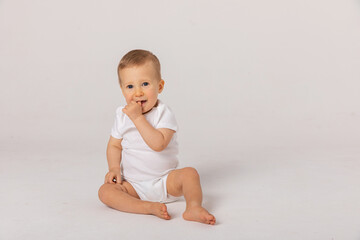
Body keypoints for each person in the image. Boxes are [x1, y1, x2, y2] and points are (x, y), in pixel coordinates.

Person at [98, 49, 216, 225]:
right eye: (130, 86)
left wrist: (138, 118)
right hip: (133, 185)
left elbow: (158, 144)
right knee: (105, 192)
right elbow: (114, 145)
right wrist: (114, 168)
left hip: (165, 181)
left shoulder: (163, 113)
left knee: (190, 174)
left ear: (159, 86)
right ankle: (147, 207)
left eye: (144, 84)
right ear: (122, 90)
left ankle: (193, 207)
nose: (138, 92)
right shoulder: (122, 116)